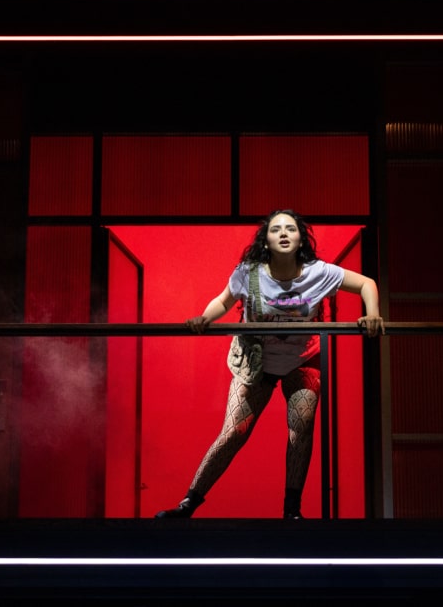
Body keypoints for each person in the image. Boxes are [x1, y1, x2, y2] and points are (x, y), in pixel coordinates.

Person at [155, 209, 384, 520]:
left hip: (302, 359)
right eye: (276, 229)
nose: (284, 233)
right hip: (255, 362)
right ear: (266, 240)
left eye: (291, 228)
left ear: (301, 238)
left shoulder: (318, 272)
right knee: (234, 432)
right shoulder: (248, 273)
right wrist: (204, 318)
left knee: (301, 427)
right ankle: (188, 504)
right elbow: (223, 301)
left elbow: (366, 283)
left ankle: (292, 512)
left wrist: (372, 314)